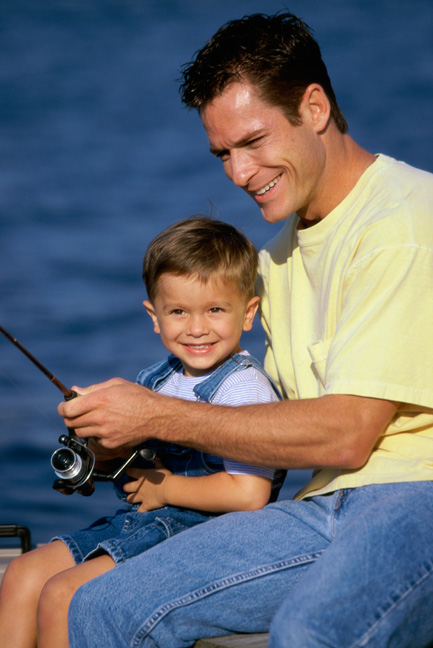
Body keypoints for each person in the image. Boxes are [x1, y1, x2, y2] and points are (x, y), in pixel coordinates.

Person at [57, 11, 433, 648]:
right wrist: (124, 441)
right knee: (101, 607)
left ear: (313, 107)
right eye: (223, 153)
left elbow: (346, 435)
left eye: (253, 141)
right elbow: (255, 414)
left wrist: (155, 416)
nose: (237, 173)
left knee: (312, 632)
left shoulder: (402, 222)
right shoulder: (275, 257)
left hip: (415, 496)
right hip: (318, 504)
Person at [0, 216, 284, 648]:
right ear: (155, 316)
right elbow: (134, 462)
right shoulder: (155, 380)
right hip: (143, 521)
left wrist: (166, 489)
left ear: (248, 313)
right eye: (178, 311)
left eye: (215, 310)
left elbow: (249, 494)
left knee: (63, 594)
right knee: (23, 573)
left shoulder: (243, 386)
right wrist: (97, 442)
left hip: (203, 535)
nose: (196, 327)